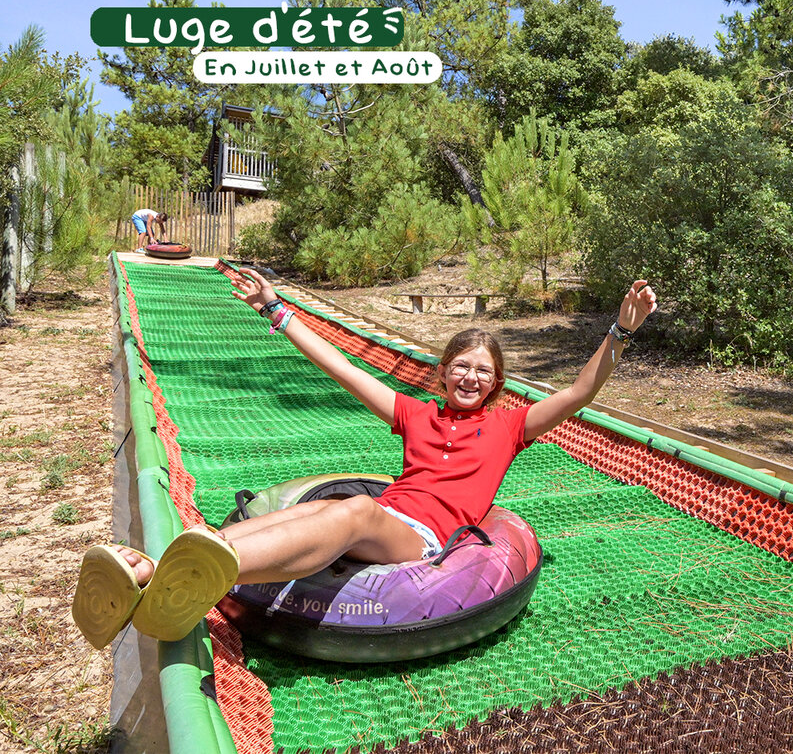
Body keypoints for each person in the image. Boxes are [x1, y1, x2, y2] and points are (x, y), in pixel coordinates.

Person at [72, 268, 658, 648]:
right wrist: (276, 311)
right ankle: (152, 573)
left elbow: (580, 392)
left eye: (484, 370)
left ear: (497, 382)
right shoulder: (417, 414)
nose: (471, 377)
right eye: (461, 366)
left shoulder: (509, 427)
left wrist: (619, 333)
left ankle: (198, 578)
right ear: (444, 372)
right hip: (390, 512)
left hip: (423, 538)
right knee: (295, 516)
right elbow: (345, 369)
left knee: (352, 510)